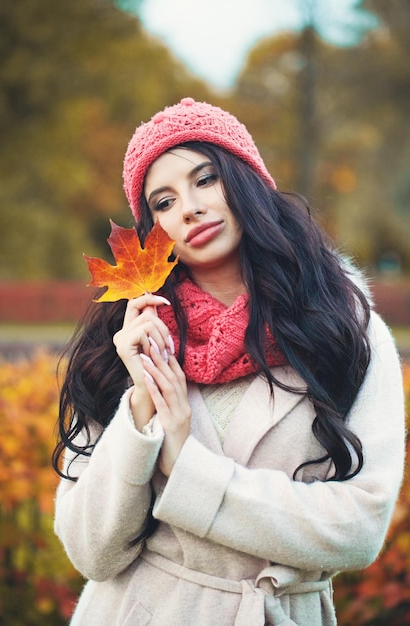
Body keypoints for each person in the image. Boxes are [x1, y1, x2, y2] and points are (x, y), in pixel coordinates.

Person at [53, 97, 405, 626]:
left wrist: (187, 472)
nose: (189, 208)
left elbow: (360, 529)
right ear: (151, 230)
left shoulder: (345, 331)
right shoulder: (122, 346)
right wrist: (142, 411)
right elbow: (91, 552)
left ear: (246, 182)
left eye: (206, 178)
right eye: (163, 202)